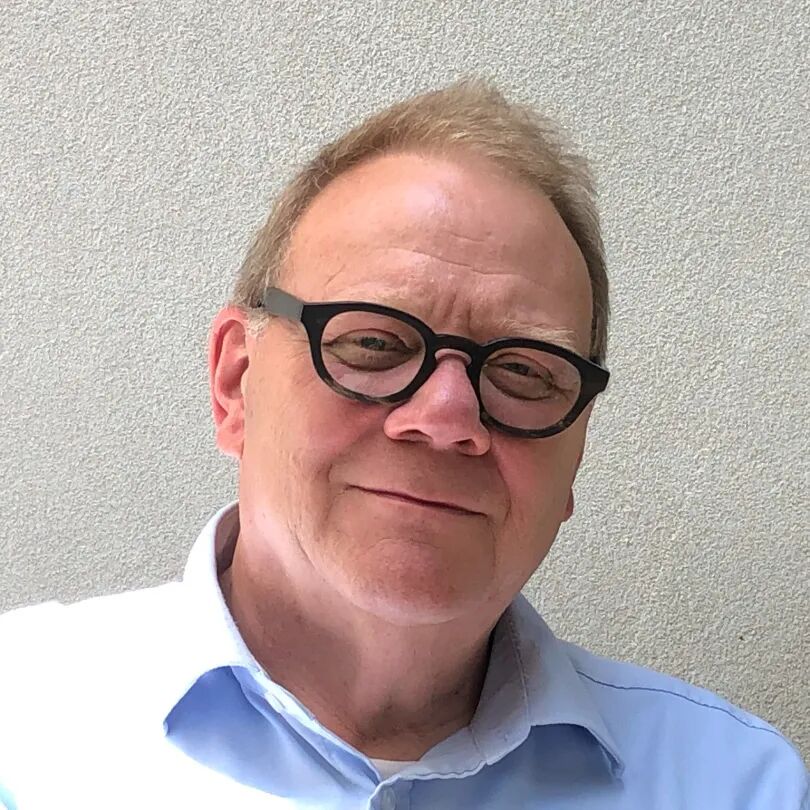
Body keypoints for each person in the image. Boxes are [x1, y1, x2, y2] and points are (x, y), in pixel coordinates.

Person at [0, 80, 806, 810]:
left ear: (577, 451)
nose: (448, 416)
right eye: (375, 344)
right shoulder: (21, 722)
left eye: (524, 371)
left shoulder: (736, 785)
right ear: (235, 383)